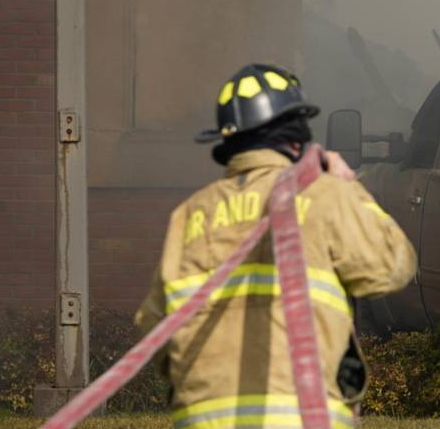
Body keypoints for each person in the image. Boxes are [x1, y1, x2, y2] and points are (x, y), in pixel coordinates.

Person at [134, 63, 416, 429]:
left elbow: (152, 329)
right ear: (296, 137)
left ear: (228, 142)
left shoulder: (189, 216)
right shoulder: (324, 195)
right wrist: (349, 187)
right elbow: (391, 268)